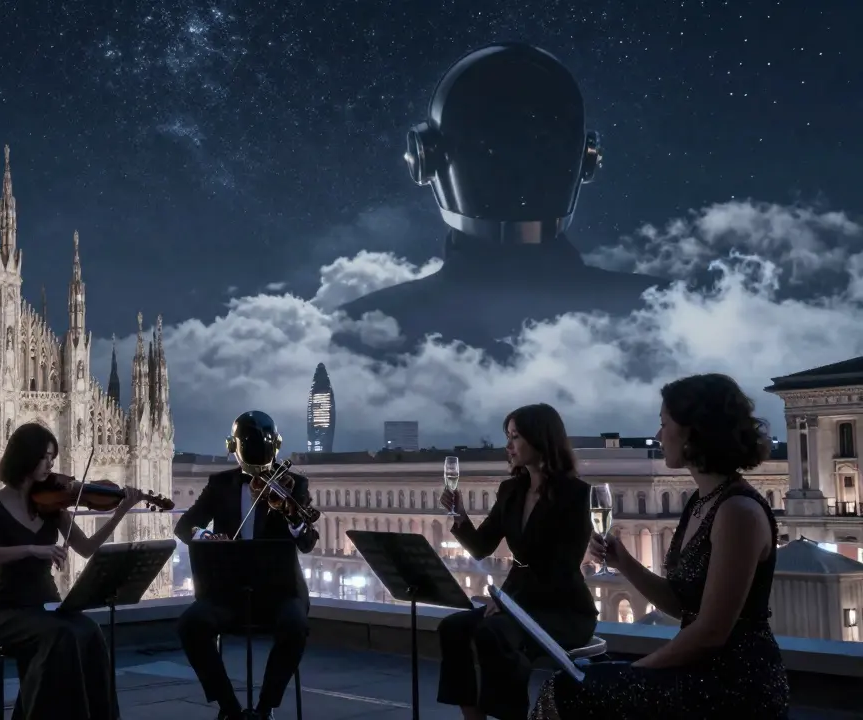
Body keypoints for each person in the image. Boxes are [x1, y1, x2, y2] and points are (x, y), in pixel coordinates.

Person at [337, 43, 660, 361]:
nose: (516, 165)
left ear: (425, 159)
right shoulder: (659, 312)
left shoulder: (356, 330)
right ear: (585, 159)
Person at [531, 374, 790, 719]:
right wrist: (623, 561)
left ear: (692, 432)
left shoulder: (736, 512)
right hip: (701, 669)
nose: (657, 435)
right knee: (572, 683)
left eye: (664, 423)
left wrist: (638, 670)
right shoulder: (703, 502)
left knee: (566, 690)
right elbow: (683, 605)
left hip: (732, 683)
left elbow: (712, 631)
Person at [0, 422, 142, 720]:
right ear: (25, 457)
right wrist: (31, 549)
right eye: (45, 457)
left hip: (46, 606)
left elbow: (86, 549)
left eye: (52, 457)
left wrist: (120, 513)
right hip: (6, 610)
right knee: (60, 637)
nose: (51, 464)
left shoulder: (53, 507)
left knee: (90, 632)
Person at [437, 403, 597, 720]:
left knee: (492, 633)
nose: (508, 446)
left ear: (541, 439)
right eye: (507, 436)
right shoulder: (511, 489)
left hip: (562, 607)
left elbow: (563, 568)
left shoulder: (577, 495)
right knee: (451, 628)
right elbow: (481, 546)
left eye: (515, 437)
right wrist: (458, 512)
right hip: (516, 602)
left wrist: (510, 604)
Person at [173, 410, 319, 720]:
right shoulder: (220, 484)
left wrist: (293, 517)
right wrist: (208, 536)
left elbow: (307, 542)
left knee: (296, 625)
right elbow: (184, 527)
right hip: (229, 594)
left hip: (281, 594)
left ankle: (266, 708)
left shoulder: (294, 485)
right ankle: (230, 709)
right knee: (190, 624)